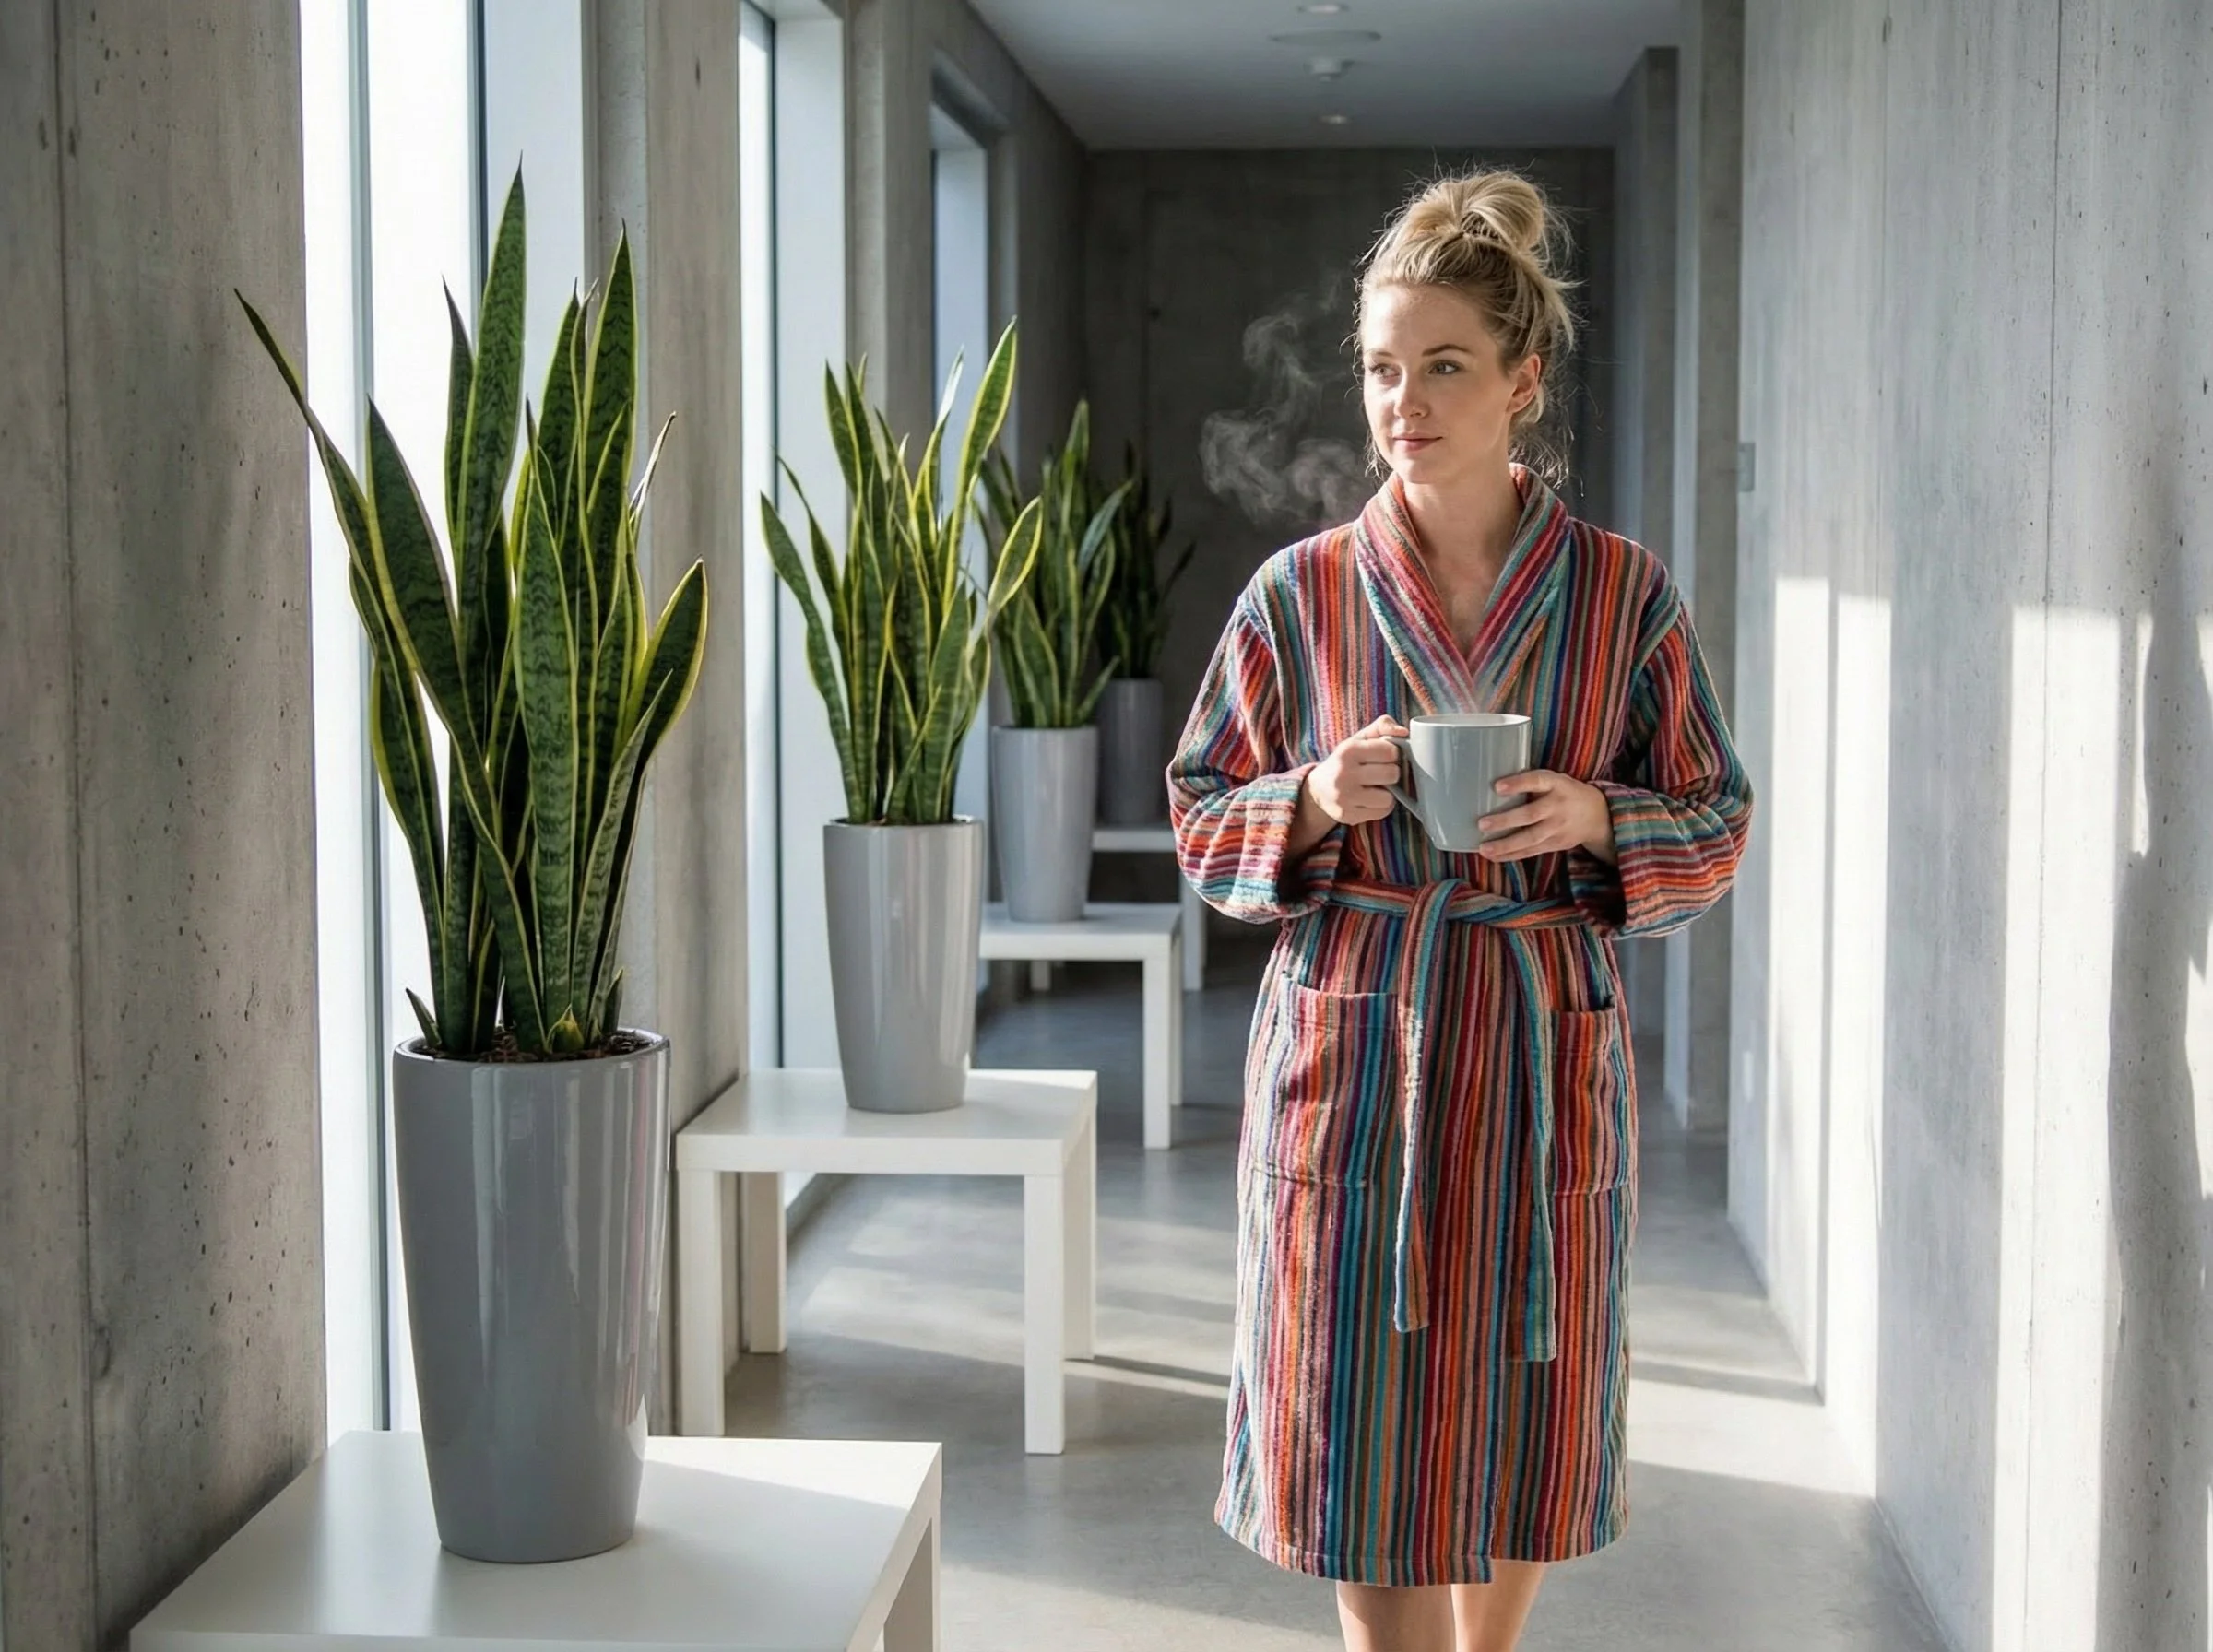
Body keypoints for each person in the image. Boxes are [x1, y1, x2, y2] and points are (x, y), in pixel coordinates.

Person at [1167, 169, 1753, 1652]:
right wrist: (1309, 797)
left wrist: (1599, 815)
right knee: (1355, 1393)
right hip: (1362, 1049)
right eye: (1379, 368)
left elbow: (1718, 812)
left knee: (1520, 1386)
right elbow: (1198, 809)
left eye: (1442, 366)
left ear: (1522, 380)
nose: (1401, 402)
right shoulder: (1298, 596)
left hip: (1538, 1043)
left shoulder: (1624, 598)